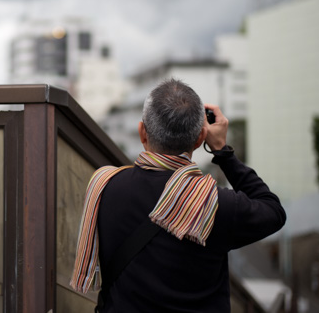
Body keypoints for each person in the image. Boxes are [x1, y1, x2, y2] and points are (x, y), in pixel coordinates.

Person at [70, 78, 286, 312]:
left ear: (142, 133)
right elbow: (273, 211)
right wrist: (222, 151)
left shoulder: (104, 187)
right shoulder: (213, 204)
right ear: (200, 138)